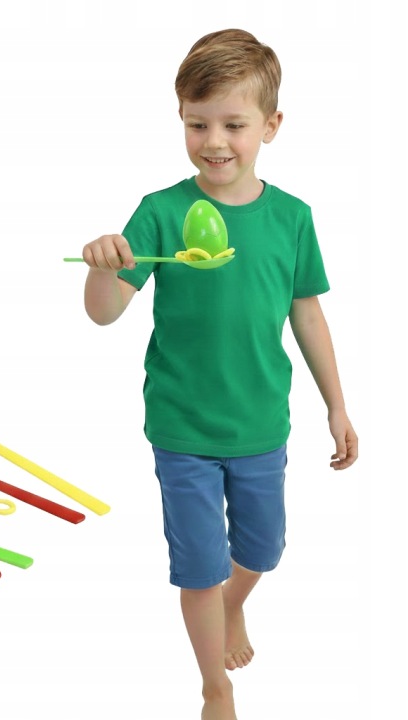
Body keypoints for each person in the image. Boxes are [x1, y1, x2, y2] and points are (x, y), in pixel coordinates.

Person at [80, 29, 358, 720]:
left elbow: (308, 315)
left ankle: (235, 605)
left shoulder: (293, 219)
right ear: (181, 118)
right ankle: (214, 686)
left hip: (261, 423)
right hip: (182, 428)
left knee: (263, 550)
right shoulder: (160, 212)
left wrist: (337, 406)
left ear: (271, 125)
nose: (214, 142)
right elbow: (105, 313)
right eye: (197, 124)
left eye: (233, 124)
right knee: (200, 566)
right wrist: (103, 268)